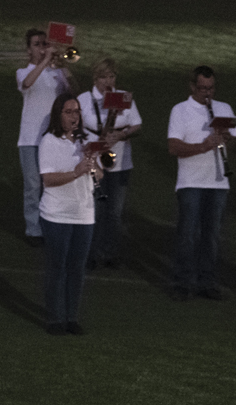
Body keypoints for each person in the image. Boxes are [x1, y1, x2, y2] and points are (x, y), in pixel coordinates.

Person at [166, 65, 236, 302]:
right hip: (191, 182)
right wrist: (203, 146)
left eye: (210, 88)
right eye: (202, 88)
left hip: (218, 182)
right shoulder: (180, 110)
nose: (207, 93)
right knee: (188, 234)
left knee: (212, 235)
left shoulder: (224, 109)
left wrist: (229, 139)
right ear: (192, 87)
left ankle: (207, 282)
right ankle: (182, 282)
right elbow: (173, 147)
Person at [39, 94, 99, 336]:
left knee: (77, 268)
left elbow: (100, 174)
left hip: (84, 214)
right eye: (69, 112)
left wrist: (93, 163)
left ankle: (72, 317)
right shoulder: (49, 142)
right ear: (58, 115)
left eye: (77, 112)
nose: (74, 116)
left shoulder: (87, 140)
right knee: (58, 267)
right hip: (56, 215)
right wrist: (76, 172)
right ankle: (55, 318)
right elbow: (48, 179)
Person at [77, 58, 141, 270]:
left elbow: (137, 124)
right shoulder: (84, 100)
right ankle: (90, 253)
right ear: (95, 78)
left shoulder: (124, 98)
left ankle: (110, 252)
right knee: (93, 209)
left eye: (112, 76)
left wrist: (122, 134)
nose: (108, 81)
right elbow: (75, 126)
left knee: (114, 211)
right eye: (103, 77)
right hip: (93, 161)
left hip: (120, 162)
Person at [17, 29, 72, 246]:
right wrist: (46, 60)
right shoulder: (23, 71)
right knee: (33, 185)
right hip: (30, 139)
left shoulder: (57, 72)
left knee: (52, 185)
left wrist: (65, 70)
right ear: (29, 49)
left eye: (44, 44)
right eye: (37, 44)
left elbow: (74, 94)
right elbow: (27, 84)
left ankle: (52, 225)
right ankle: (33, 229)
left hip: (54, 138)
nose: (42, 48)